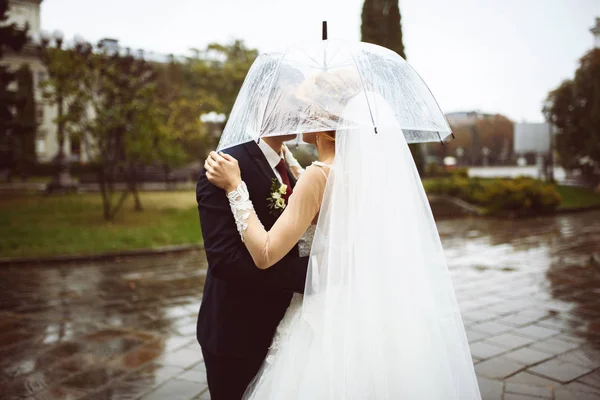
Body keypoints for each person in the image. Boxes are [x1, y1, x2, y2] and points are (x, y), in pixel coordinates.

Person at [204, 91, 482, 399]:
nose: (302, 114)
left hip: (323, 308)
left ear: (326, 128)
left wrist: (235, 187)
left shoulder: (317, 175)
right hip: (350, 305)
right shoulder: (358, 174)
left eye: (311, 111)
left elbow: (266, 252)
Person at [195, 133, 309, 400]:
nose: (302, 110)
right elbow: (225, 260)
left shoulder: (290, 166)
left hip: (284, 329)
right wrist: (310, 274)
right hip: (236, 335)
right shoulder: (225, 165)